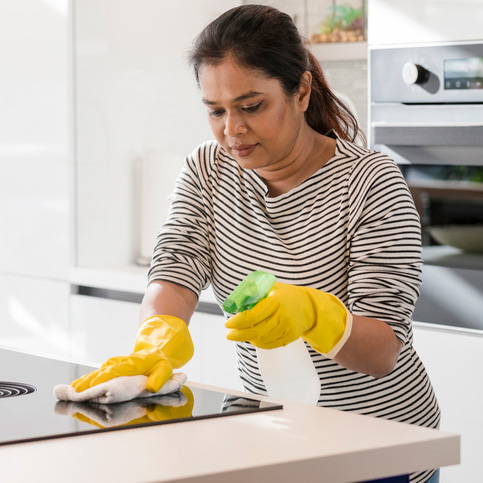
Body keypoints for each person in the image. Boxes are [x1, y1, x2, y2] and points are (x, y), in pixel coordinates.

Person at [72, 5, 440, 482]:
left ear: (301, 91)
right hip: (268, 427)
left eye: (251, 107)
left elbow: (383, 350)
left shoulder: (370, 182)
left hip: (374, 444)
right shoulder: (207, 169)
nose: (232, 130)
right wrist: (156, 339)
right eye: (215, 111)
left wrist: (314, 314)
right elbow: (176, 270)